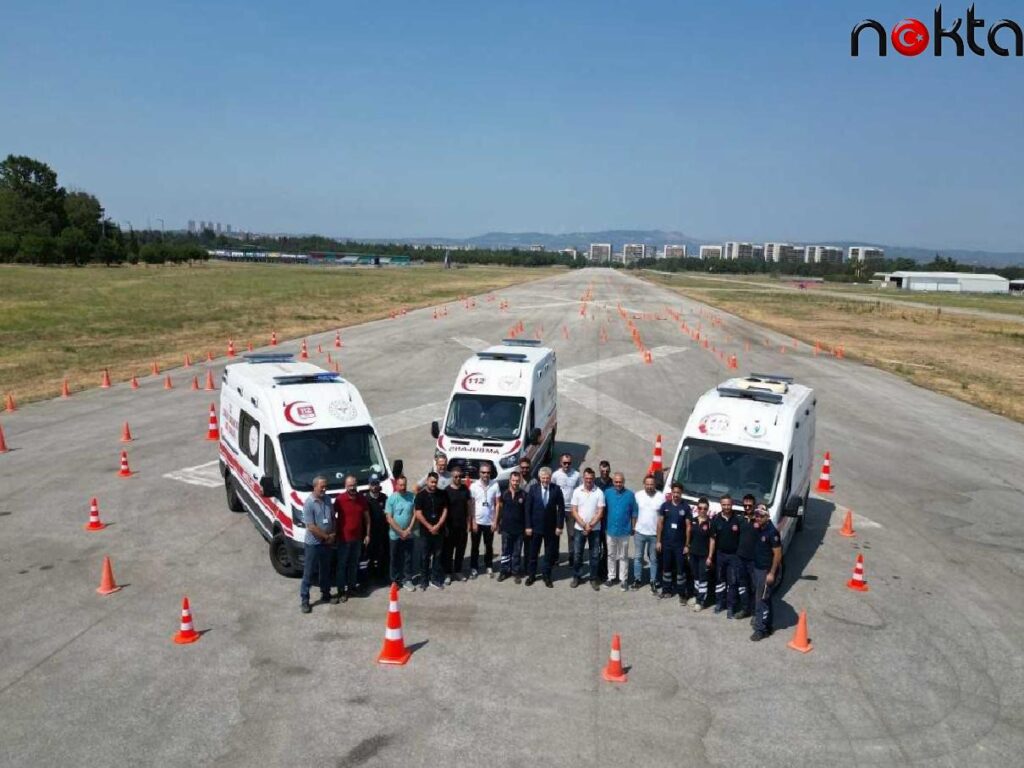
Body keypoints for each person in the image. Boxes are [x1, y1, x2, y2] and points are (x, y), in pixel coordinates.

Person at [300, 476, 335, 613]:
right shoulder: (309, 503)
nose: (324, 489)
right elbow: (311, 526)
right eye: (322, 487)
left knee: (325, 569)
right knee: (308, 572)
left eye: (326, 486)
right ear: (315, 487)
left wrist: (334, 533)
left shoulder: (327, 499)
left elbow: (332, 518)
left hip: (327, 543)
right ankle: (304, 600)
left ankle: (325, 594)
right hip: (313, 544)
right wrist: (326, 537)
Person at [525, 466, 564, 587]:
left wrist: (559, 526)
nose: (545, 480)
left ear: (550, 478)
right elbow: (527, 509)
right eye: (543, 478)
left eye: (547, 478)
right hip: (535, 528)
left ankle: (547, 576)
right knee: (533, 553)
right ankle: (531, 575)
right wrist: (528, 526)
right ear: (539, 478)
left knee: (548, 554)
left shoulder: (556, 489)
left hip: (550, 528)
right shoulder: (533, 489)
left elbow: (561, 509)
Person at [333, 474, 370, 601]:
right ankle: (341, 590)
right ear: (345, 486)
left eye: (354, 485)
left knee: (354, 565)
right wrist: (333, 534)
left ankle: (352, 588)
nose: (352, 487)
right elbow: (333, 517)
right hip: (343, 539)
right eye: (350, 485)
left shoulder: (361, 499)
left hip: (358, 539)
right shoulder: (339, 500)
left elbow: (367, 519)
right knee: (342, 566)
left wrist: (367, 535)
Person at [750, 503, 783, 641]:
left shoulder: (772, 532)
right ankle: (767, 625)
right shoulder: (759, 528)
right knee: (765, 599)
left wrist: (772, 573)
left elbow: (778, 554)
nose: (758, 518)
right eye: (756, 515)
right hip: (757, 569)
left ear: (767, 517)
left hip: (766, 571)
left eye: (761, 516)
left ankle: (760, 629)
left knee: (761, 601)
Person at [569, 468, 605, 590]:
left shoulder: (599, 492)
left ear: (594, 478)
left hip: (595, 529)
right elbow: (574, 510)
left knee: (594, 555)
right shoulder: (577, 491)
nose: (589, 480)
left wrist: (590, 526)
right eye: (587, 478)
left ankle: (593, 578)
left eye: (591, 478)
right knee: (577, 554)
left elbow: (600, 512)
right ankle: (576, 576)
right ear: (583, 478)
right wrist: (584, 525)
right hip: (580, 528)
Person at [709, 493, 742, 617]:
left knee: (732, 582)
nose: (726, 507)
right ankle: (719, 603)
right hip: (720, 555)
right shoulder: (716, 520)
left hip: (733, 556)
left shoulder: (737, 519)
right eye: (724, 505)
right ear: (720, 505)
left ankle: (730, 607)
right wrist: (710, 556)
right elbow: (712, 539)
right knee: (720, 580)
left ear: (732, 504)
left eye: (728, 504)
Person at [414, 472, 448, 590]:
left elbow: (445, 510)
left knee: (437, 556)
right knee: (424, 557)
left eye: (435, 482)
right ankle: (424, 580)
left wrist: (438, 525)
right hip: (425, 532)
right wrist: (429, 527)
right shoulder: (420, 495)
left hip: (439, 531)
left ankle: (435, 579)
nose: (433, 484)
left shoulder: (442, 494)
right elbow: (418, 513)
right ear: (427, 481)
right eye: (431, 482)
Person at [657, 483, 691, 601]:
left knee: (680, 570)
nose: (676, 495)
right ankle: (666, 590)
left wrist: (687, 545)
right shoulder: (665, 506)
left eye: (678, 493)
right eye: (674, 492)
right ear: (671, 492)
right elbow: (660, 524)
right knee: (666, 568)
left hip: (679, 545)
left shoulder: (685, 507)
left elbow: (688, 527)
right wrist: (658, 541)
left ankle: (682, 593)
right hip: (666, 543)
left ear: (681, 493)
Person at [603, 472, 636, 590]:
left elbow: (634, 512)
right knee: (611, 555)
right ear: (613, 482)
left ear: (624, 482)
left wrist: (633, 527)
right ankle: (610, 577)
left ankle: (623, 579)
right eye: (616, 482)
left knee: (623, 556)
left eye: (620, 482)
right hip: (611, 530)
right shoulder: (607, 493)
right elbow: (603, 509)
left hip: (625, 530)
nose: (618, 484)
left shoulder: (630, 495)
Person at [495, 470, 528, 583]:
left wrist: (527, 527)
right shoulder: (504, 494)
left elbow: (526, 513)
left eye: (517, 481)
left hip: (519, 529)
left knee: (517, 552)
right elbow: (500, 509)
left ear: (520, 481)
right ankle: (504, 571)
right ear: (510, 480)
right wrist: (498, 523)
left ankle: (516, 572)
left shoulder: (524, 495)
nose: (515, 483)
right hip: (506, 529)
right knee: (505, 551)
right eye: (513, 480)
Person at [385, 476, 416, 590]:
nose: (403, 487)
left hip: (409, 534)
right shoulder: (391, 499)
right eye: (400, 485)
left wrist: (408, 530)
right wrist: (400, 532)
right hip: (395, 535)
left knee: (408, 557)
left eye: (404, 485)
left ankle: (408, 579)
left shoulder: (411, 497)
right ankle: (395, 581)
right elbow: (389, 518)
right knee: (394, 558)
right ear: (396, 485)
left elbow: (415, 514)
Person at [633, 475, 662, 593]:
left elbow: (662, 517)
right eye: (647, 484)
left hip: (654, 534)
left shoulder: (661, 497)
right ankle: (637, 579)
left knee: (654, 559)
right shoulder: (638, 495)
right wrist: (633, 527)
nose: (649, 486)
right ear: (644, 484)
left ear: (655, 485)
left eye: (652, 484)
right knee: (638, 557)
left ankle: (653, 581)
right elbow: (634, 512)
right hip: (640, 532)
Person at [469, 464, 499, 578]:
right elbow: (471, 504)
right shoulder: (473, 486)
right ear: (479, 473)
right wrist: (473, 521)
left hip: (489, 522)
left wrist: (495, 521)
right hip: (477, 521)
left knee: (489, 546)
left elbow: (497, 504)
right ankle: (474, 567)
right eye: (483, 472)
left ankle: (489, 566)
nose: (485, 475)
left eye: (488, 472)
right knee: (475, 546)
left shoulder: (495, 485)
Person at [551, 453, 581, 568]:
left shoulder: (577, 475)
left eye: (569, 463)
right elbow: (552, 491)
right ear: (560, 463)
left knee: (572, 535)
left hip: (571, 510)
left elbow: (579, 491)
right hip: (558, 509)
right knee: (556, 534)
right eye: (564, 463)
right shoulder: (555, 475)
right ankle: (555, 557)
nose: (567, 465)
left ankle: (572, 557)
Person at [442, 467, 471, 583]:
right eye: (456, 476)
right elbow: (443, 509)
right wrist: (444, 526)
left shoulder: (465, 490)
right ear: (452, 477)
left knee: (460, 550)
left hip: (462, 526)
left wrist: (469, 523)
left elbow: (469, 507)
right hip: (450, 527)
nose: (458, 478)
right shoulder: (446, 491)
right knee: (448, 551)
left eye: (460, 476)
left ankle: (458, 571)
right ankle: (447, 573)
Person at [685, 497, 713, 611]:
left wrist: (710, 557)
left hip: (704, 555)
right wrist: (687, 547)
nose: (702, 510)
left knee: (703, 578)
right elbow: (689, 536)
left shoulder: (710, 523)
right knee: (696, 577)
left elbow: (712, 540)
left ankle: (701, 602)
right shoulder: (693, 520)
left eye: (705, 508)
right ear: (697, 508)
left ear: (708, 509)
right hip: (693, 554)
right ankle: (696, 596)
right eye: (700, 508)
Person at [734, 494, 758, 621]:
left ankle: (755, 612)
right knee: (742, 585)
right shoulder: (739, 519)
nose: (747, 507)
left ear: (754, 505)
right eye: (745, 505)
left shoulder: (759, 521)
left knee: (755, 587)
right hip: (741, 558)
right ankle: (745, 609)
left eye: (750, 505)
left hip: (754, 561)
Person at [363, 474, 389, 584]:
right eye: (372, 484)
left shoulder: (384, 497)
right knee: (369, 556)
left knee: (382, 556)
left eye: (376, 484)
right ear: (369, 485)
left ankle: (381, 577)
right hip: (370, 533)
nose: (375, 486)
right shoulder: (365, 499)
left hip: (382, 533)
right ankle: (368, 578)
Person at [594, 460, 613, 580]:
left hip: (608, 521)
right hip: (596, 521)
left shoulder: (613, 483)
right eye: (602, 471)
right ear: (599, 471)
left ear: (609, 470)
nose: (605, 473)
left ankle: (605, 571)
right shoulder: (594, 482)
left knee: (607, 549)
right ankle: (595, 572)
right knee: (596, 549)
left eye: (607, 471)